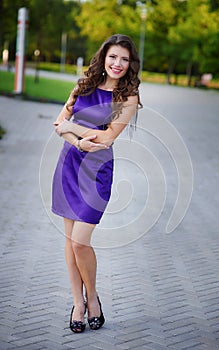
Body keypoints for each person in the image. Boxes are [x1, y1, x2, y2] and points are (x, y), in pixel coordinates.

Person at [52, 34, 142, 333]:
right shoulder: (82, 86)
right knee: (69, 241)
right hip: (69, 166)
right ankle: (79, 303)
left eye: (124, 59)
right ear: (104, 57)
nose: (117, 64)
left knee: (80, 242)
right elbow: (58, 123)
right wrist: (78, 142)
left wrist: (74, 129)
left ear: (130, 65)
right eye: (113, 57)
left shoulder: (128, 98)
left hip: (98, 172)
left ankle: (93, 298)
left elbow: (107, 138)